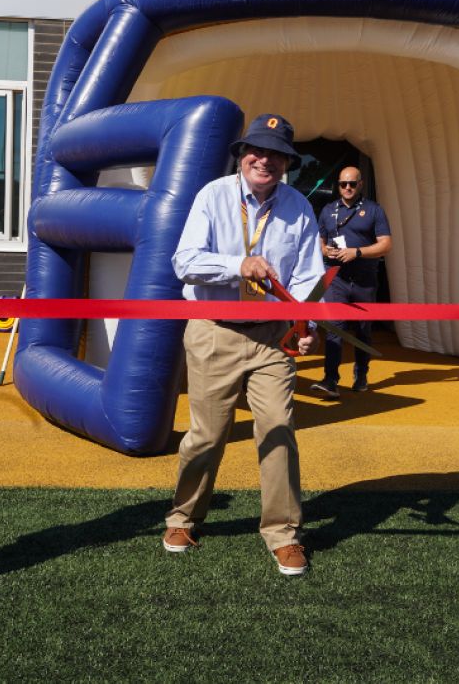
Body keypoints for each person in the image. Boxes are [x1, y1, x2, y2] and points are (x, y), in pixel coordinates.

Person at [165, 113, 324, 576]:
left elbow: (310, 276)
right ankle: (183, 517)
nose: (265, 159)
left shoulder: (298, 206)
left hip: (274, 338)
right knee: (207, 436)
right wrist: (239, 265)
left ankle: (283, 534)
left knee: (278, 430)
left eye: (276, 154)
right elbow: (185, 261)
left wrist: (305, 322)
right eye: (257, 150)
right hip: (215, 330)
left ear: (287, 163)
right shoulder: (212, 196)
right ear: (241, 155)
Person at [311, 165, 392, 398]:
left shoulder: (373, 210)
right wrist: (325, 250)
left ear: (360, 184)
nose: (347, 188)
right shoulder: (327, 210)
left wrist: (356, 252)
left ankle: (361, 373)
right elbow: (320, 240)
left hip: (365, 279)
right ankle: (330, 379)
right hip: (337, 277)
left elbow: (386, 244)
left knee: (363, 329)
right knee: (334, 326)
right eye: (342, 184)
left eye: (352, 184)